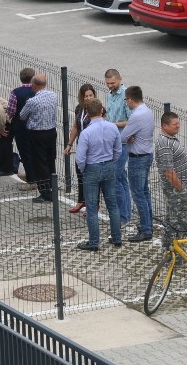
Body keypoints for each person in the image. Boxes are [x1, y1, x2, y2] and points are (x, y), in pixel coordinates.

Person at [75, 98, 122, 251]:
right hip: (108, 165)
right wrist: (112, 162)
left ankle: (94, 242)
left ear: (87, 113)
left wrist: (84, 170)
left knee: (91, 206)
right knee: (112, 204)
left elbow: (80, 158)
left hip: (92, 168)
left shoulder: (86, 132)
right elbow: (118, 150)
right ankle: (117, 238)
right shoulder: (112, 127)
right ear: (102, 110)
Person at [155, 112, 187, 249]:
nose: (178, 126)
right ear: (164, 126)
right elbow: (169, 171)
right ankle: (177, 253)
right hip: (175, 189)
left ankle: (168, 246)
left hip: (177, 187)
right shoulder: (165, 144)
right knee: (178, 221)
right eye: (175, 124)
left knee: (171, 217)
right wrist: (181, 189)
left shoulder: (169, 139)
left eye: (178, 123)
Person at [120, 86, 154, 242]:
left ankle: (146, 229)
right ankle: (148, 223)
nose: (126, 103)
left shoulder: (136, 115)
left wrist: (128, 137)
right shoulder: (147, 111)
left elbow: (123, 137)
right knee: (144, 192)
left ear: (130, 100)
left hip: (137, 157)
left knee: (138, 194)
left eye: (126, 100)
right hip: (147, 154)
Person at [20, 73, 57, 203]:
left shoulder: (32, 101)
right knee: (50, 160)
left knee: (40, 164)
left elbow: (22, 116)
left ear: (34, 85)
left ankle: (45, 193)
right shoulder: (53, 96)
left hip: (37, 134)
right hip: (52, 132)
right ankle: (53, 187)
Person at [104, 69, 132, 226]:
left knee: (115, 178)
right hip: (112, 141)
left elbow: (131, 121)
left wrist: (112, 125)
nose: (110, 86)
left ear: (120, 79)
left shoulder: (125, 96)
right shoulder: (110, 94)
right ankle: (127, 212)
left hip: (122, 142)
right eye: (107, 83)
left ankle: (123, 215)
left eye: (112, 83)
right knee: (121, 178)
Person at [64, 84, 97, 213]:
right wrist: (69, 144)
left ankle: (93, 204)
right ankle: (81, 200)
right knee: (80, 174)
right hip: (81, 145)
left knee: (91, 177)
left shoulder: (98, 109)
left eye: (90, 95)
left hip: (93, 148)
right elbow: (75, 127)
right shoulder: (79, 109)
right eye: (86, 96)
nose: (88, 98)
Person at [7, 67, 37, 191]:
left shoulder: (15, 92)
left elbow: (11, 111)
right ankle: (36, 175)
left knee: (25, 153)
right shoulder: (37, 91)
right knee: (36, 152)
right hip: (36, 127)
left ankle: (31, 180)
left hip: (20, 127)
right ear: (33, 78)